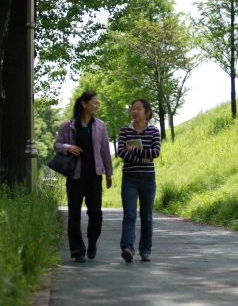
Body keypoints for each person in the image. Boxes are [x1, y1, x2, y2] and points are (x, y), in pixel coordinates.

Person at [53, 90, 113, 263]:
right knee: (74, 214)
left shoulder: (100, 125)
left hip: (94, 175)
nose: (97, 105)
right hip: (75, 175)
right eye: (94, 102)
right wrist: (67, 147)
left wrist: (108, 173)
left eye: (97, 103)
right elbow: (57, 144)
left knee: (96, 214)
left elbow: (104, 151)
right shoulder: (68, 125)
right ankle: (78, 251)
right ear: (84, 104)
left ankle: (92, 241)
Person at [117, 98, 161, 263]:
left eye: (138, 109)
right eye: (132, 109)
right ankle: (127, 248)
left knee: (146, 216)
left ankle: (145, 250)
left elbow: (155, 152)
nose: (134, 112)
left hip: (148, 179)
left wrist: (134, 150)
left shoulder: (154, 131)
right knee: (129, 214)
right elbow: (121, 152)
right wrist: (143, 158)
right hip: (130, 178)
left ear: (147, 113)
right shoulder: (124, 131)